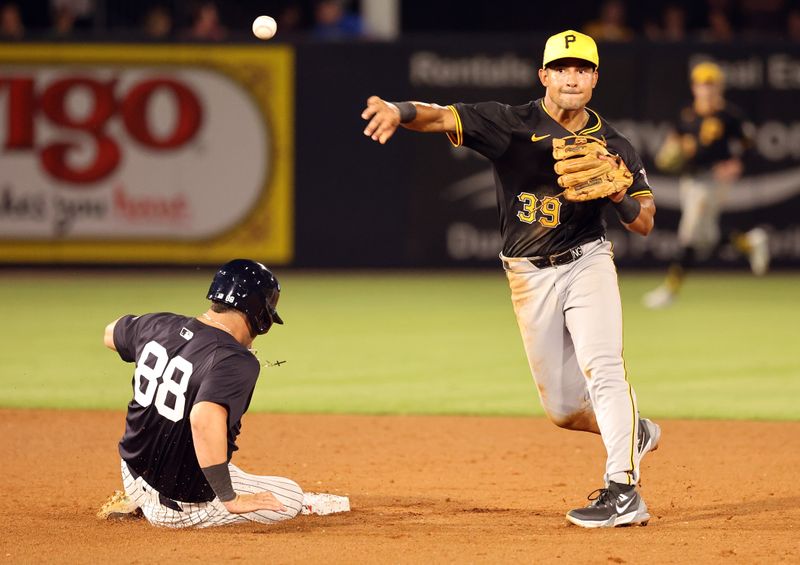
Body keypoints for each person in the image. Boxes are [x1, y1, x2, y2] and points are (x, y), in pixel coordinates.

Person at [361, 30, 660, 529]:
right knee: (563, 409)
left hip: (588, 261)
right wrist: (397, 108)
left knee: (603, 367)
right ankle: (634, 433)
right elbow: (437, 115)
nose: (572, 77)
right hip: (528, 276)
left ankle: (624, 489)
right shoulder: (509, 124)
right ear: (543, 75)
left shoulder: (615, 144)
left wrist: (617, 196)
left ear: (595, 79)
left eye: (582, 69)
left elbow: (644, 221)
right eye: (562, 68)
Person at [97, 259, 305, 527]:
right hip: (182, 506)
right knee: (290, 496)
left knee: (197, 449)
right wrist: (231, 499)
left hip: (132, 473)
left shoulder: (158, 324)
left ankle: (140, 499)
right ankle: (176, 507)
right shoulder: (236, 360)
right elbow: (204, 419)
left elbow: (110, 333)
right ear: (260, 314)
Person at [644, 61, 769, 309]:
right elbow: (674, 139)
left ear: (719, 88)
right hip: (689, 180)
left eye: (711, 85)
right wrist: (671, 148)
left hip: (711, 181)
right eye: (702, 85)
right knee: (707, 238)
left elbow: (750, 144)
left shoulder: (729, 116)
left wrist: (736, 163)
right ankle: (749, 242)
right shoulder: (688, 115)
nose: (706, 90)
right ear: (694, 88)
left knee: (689, 234)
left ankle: (671, 289)